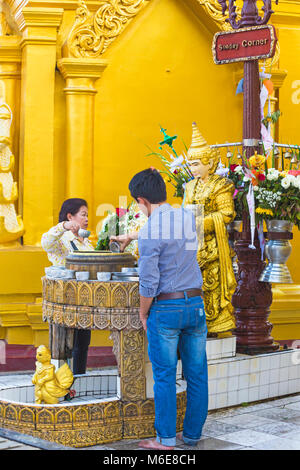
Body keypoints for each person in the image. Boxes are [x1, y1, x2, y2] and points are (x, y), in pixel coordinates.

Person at [111, 168, 208, 450]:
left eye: (137, 204)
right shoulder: (188, 216)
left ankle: (165, 439)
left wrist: (143, 312)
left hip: (166, 308)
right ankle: (191, 435)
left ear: (141, 200)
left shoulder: (152, 229)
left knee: (165, 376)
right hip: (195, 304)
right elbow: (174, 240)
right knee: (197, 373)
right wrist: (134, 235)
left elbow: (149, 282)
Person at [41, 198, 94, 375]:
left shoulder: (85, 241)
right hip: (65, 299)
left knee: (83, 343)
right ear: (70, 216)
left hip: (85, 299)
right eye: (83, 215)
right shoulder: (62, 239)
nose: (87, 219)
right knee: (64, 344)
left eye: (87, 215)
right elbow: (45, 242)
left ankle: (80, 378)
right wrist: (64, 226)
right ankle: (62, 382)